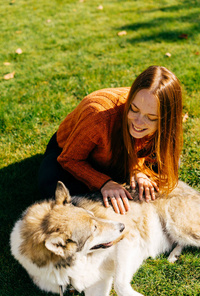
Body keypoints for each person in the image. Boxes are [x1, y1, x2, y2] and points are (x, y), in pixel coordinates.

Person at [38, 65, 183, 214]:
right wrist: (104, 183)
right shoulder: (97, 116)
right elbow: (69, 159)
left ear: (167, 119)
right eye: (134, 109)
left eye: (151, 117)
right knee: (52, 185)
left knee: (169, 163)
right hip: (74, 152)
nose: (138, 122)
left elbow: (150, 150)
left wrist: (138, 170)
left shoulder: (163, 121)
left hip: (121, 156)